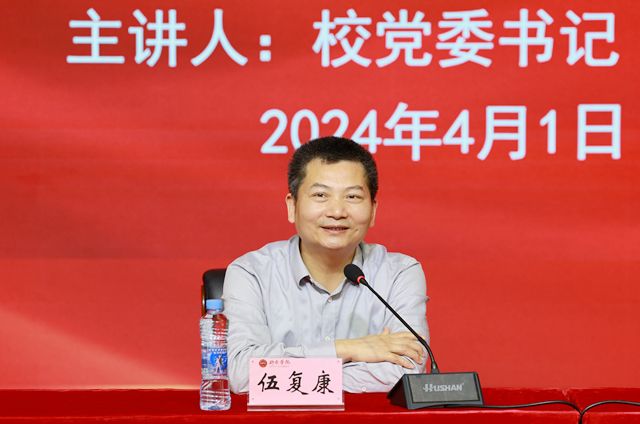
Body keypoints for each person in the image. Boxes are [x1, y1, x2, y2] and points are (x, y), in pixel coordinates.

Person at [223, 136, 428, 393]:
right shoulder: (251, 273)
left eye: (352, 196)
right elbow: (243, 374)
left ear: (373, 210)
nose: (337, 211)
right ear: (292, 206)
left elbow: (407, 370)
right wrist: (349, 349)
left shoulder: (400, 273)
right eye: (320, 195)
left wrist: (288, 374)